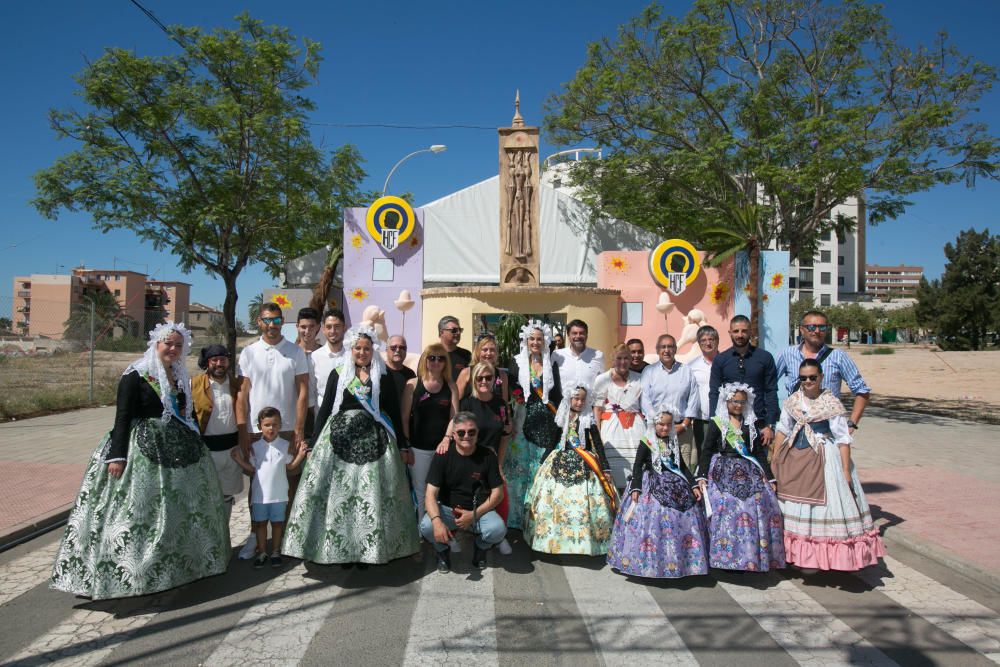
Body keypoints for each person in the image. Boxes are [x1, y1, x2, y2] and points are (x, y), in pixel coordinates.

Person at [51, 323, 229, 600]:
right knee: (136, 512)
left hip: (178, 450)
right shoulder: (135, 375)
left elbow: (187, 414)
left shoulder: (180, 375)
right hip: (141, 450)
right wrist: (118, 455)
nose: (173, 349)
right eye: (168, 343)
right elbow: (122, 417)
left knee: (178, 511)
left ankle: (179, 566)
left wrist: (199, 444)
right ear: (156, 343)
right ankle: (127, 572)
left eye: (178, 345)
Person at [283, 325, 419, 566]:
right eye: (358, 348)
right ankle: (342, 549)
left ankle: (367, 549)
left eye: (367, 348)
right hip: (339, 441)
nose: (362, 352)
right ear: (351, 348)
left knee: (369, 496)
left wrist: (403, 445)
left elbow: (394, 413)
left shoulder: (382, 375)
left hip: (375, 443)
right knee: (341, 498)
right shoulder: (339, 373)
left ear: (373, 350)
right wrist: (313, 444)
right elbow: (325, 410)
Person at [771, 359, 886, 572]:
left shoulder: (830, 402)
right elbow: (783, 429)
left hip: (824, 455)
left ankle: (821, 556)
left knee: (825, 506)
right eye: (803, 378)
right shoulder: (792, 401)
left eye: (812, 377)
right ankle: (796, 554)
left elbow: (842, 438)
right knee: (792, 501)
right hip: (795, 456)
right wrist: (776, 458)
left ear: (821, 377)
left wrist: (845, 471)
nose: (807, 382)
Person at [236, 302, 309, 557]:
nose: (272, 325)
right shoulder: (248, 353)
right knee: (257, 486)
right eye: (267, 320)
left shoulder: (295, 352)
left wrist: (298, 429)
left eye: (277, 321)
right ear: (259, 321)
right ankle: (256, 540)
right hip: (257, 432)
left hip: (287, 430)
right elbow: (242, 394)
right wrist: (243, 430)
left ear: (282, 322)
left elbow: (302, 392)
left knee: (288, 485)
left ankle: (285, 539)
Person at [607, 407, 709, 579]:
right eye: (661, 424)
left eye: (668, 425)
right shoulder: (646, 441)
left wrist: (692, 485)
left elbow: (682, 466)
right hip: (651, 481)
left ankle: (685, 561)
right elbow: (637, 466)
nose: (664, 428)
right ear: (654, 424)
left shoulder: (673, 441)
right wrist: (636, 488)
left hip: (675, 482)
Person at [697, 383, 785, 572]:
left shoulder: (751, 423)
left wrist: (769, 477)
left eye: (742, 402)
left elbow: (759, 453)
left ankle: (749, 555)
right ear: (726, 401)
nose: (738, 405)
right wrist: (702, 475)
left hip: (747, 469)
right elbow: (706, 450)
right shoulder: (717, 422)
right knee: (724, 504)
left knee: (758, 503)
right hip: (722, 468)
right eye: (735, 401)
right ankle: (725, 557)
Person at [523, 385, 615, 555]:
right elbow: (553, 440)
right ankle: (554, 539)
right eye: (576, 398)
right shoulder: (562, 417)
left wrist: (605, 466)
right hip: (560, 458)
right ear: (569, 399)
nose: (579, 402)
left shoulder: (588, 419)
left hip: (585, 461)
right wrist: (543, 461)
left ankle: (588, 541)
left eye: (583, 399)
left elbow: (598, 444)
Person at [420, 412, 507, 572]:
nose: (466, 436)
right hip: (448, 509)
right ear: (453, 435)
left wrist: (473, 514)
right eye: (461, 432)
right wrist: (437, 522)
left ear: (477, 433)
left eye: (471, 432)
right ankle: (442, 550)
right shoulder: (442, 455)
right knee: (427, 526)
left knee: (497, 530)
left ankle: (481, 547)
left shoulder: (488, 455)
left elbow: (498, 493)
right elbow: (430, 494)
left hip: (478, 510)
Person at [231, 407, 307, 568]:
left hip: (279, 495)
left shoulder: (285, 445)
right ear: (260, 427)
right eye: (267, 425)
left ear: (280, 426)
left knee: (278, 524)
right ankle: (262, 552)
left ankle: (276, 552)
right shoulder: (255, 447)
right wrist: (238, 460)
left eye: (275, 425)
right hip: (260, 496)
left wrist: (300, 455)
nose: (271, 428)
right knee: (260, 524)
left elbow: (290, 466)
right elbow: (252, 469)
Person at [504, 320, 562, 529]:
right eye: (532, 339)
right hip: (521, 421)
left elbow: (556, 395)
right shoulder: (516, 362)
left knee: (540, 473)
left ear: (545, 341)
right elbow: (510, 391)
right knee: (518, 473)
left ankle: (537, 522)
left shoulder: (551, 364)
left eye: (539, 339)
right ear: (526, 341)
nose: (535, 342)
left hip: (546, 423)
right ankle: (516, 519)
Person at [775, 310, 872, 433]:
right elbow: (768, 384)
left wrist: (852, 423)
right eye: (811, 327)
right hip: (794, 428)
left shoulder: (838, 356)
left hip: (828, 430)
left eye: (822, 327)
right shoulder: (787, 354)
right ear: (802, 329)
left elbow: (862, 390)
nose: (817, 331)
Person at [401, 343, 459, 518]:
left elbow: (454, 417)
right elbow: (404, 417)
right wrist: (407, 445)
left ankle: (439, 528)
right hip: (418, 449)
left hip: (443, 449)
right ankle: (422, 529)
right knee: (420, 490)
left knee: (441, 490)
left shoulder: (451, 386)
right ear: (424, 360)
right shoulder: (413, 384)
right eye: (431, 357)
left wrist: (447, 438)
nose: (436, 362)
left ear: (445, 363)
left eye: (440, 358)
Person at [708, 315, 780, 447]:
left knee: (759, 466)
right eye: (736, 331)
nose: (740, 335)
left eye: (744, 331)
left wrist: (770, 424)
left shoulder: (765, 358)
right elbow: (714, 393)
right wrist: (715, 421)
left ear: (750, 332)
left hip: (759, 425)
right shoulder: (721, 360)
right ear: (730, 333)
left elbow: (771, 391)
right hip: (728, 426)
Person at [192, 343, 244, 523]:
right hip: (207, 452)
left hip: (232, 452)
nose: (219, 364)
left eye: (223, 359)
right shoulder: (194, 384)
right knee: (206, 497)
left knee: (227, 496)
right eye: (214, 360)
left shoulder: (238, 385)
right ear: (208, 362)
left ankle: (224, 538)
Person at [639, 334, 700, 471]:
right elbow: (645, 400)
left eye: (670, 347)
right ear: (657, 349)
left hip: (681, 430)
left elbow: (693, 399)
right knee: (658, 468)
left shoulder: (686, 371)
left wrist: (684, 425)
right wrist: (659, 426)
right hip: (657, 430)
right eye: (663, 347)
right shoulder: (649, 372)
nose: (666, 350)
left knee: (684, 470)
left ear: (675, 349)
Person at [592, 343, 644, 488]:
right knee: (613, 469)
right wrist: (596, 434)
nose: (623, 362)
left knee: (637, 466)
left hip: (635, 427)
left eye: (626, 358)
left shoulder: (640, 378)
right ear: (613, 359)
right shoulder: (602, 379)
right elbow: (597, 409)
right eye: (619, 358)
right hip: (611, 428)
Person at [687, 325, 720, 475]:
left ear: (717, 341)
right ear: (699, 344)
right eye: (703, 340)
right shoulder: (692, 366)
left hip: (725, 420)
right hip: (703, 421)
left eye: (711, 339)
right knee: (704, 458)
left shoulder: (726, 361)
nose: (708, 343)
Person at [552, 319, 605, 391]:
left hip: (590, 402)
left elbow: (602, 384)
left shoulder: (598, 355)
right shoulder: (557, 355)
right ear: (568, 335)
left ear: (586, 335)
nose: (578, 336)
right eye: (574, 333)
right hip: (563, 402)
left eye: (582, 333)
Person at [456, 333, 510, 402]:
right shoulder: (466, 373)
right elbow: (456, 401)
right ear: (478, 351)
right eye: (485, 350)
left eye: (492, 350)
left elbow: (504, 403)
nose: (489, 353)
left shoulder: (502, 375)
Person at [312, 308, 348, 409]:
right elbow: (311, 392)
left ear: (344, 328)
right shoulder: (314, 357)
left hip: (348, 411)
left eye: (337, 326)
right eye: (329, 327)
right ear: (323, 329)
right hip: (322, 412)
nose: (332, 331)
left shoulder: (352, 356)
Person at [438, 315, 472, 382]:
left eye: (460, 330)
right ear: (441, 332)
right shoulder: (431, 355)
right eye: (454, 330)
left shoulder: (466, 355)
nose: (458, 333)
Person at [384, 334, 416, 403]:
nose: (398, 350)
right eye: (393, 347)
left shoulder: (410, 374)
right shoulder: (377, 371)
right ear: (386, 350)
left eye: (402, 347)